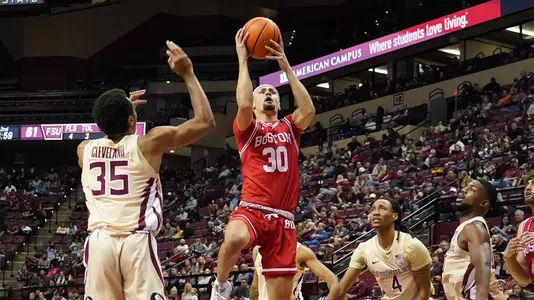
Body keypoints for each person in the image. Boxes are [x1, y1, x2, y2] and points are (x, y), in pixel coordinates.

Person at [78, 41, 215, 299]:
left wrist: (120, 112)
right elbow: (206, 122)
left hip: (99, 244)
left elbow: (110, 133)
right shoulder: (149, 144)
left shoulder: (84, 150)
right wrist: (188, 73)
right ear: (132, 120)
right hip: (136, 242)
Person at [211, 29, 315, 300]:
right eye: (262, 92)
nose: (268, 94)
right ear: (256, 104)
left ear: (279, 103)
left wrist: (286, 67)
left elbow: (309, 110)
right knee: (233, 239)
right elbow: (243, 104)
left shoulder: (290, 127)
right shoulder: (247, 129)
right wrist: (242, 60)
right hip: (253, 210)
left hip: (284, 220)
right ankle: (220, 286)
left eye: (272, 92)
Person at [327, 196, 432, 300]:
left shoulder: (411, 245)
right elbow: (341, 290)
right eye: (373, 209)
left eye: (382, 208)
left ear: (395, 216)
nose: (375, 213)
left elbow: (424, 292)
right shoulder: (364, 249)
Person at [441, 179, 505, 299]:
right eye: (466, 187)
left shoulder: (474, 226)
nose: (464, 190)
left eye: (472, 190)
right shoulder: (467, 226)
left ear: (484, 203)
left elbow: (483, 265)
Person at [250, 243, 338, 300]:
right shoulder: (257, 250)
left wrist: (330, 297)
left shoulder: (301, 251)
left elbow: (331, 277)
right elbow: (255, 285)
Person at [504, 174, 534, 286]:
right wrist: (509, 258)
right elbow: (524, 280)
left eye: (533, 184)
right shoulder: (524, 226)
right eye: (527, 184)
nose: (528, 187)